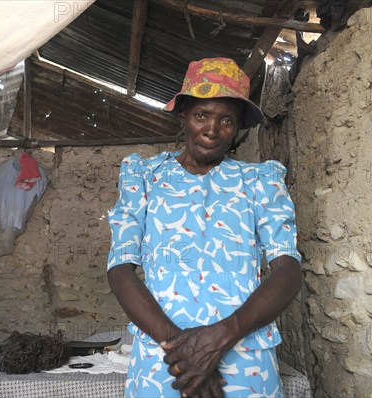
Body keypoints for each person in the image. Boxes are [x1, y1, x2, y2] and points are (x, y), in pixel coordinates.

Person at [107, 58, 302, 398]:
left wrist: (221, 337)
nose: (212, 130)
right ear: (183, 115)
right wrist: (184, 353)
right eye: (201, 115)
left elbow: (288, 271)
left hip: (246, 356)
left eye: (226, 120)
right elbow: (120, 269)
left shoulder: (259, 182)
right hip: (163, 359)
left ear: (237, 126)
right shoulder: (144, 178)